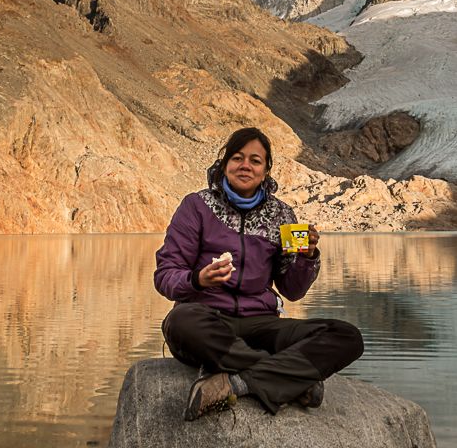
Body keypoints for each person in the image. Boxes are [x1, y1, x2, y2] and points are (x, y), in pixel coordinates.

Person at [154, 126, 364, 421]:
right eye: (237, 158)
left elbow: (293, 290)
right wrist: (197, 279)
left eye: (255, 160)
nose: (245, 165)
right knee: (179, 321)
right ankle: (289, 377)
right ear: (224, 165)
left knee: (346, 336)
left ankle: (238, 382)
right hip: (208, 319)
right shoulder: (196, 206)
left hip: (261, 325)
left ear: (266, 170)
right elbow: (165, 275)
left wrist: (307, 257)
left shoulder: (282, 215)